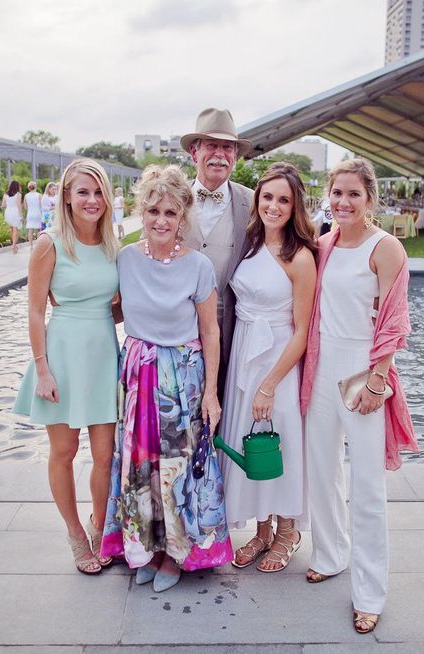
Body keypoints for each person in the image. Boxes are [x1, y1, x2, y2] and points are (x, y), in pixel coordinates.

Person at [100, 164, 232, 592]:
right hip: (138, 374)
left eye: (170, 213)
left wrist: (211, 393)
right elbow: (108, 307)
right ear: (142, 211)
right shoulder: (125, 259)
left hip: (182, 378)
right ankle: (147, 549)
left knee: (177, 468)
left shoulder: (198, 266)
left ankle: (177, 555)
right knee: (140, 466)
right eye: (154, 210)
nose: (161, 220)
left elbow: (210, 331)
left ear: (182, 217)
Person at [299, 158, 417, 635]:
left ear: (370, 198)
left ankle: (369, 593)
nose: (343, 202)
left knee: (366, 484)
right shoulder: (324, 243)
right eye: (337, 193)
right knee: (321, 469)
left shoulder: (385, 248)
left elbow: (394, 319)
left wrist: (377, 379)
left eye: (353, 194)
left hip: (362, 370)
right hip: (321, 364)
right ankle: (330, 554)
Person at [12, 159, 119, 575]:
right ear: (67, 197)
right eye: (83, 192)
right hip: (61, 355)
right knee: (65, 451)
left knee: (106, 455)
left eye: (98, 192)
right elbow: (35, 312)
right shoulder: (49, 243)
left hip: (103, 353)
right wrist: (43, 370)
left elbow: (117, 307)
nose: (92, 200)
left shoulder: (112, 245)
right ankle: (75, 534)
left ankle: (100, 526)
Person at [218, 163, 316, 572]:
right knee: (250, 440)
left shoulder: (300, 257)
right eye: (268, 197)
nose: (274, 206)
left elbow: (303, 331)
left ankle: (287, 531)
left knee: (282, 440)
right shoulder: (250, 243)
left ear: (295, 207)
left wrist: (270, 384)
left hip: (279, 358)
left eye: (284, 200)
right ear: (257, 200)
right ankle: (261, 530)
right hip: (245, 352)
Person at [180, 108, 254, 394]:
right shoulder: (173, 198)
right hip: (177, 326)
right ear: (194, 153)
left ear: (235, 156)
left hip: (231, 328)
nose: (220, 154)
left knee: (223, 406)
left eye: (227, 147)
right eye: (212, 146)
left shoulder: (252, 203)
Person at [2, 180, 23, 253]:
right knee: (15, 229)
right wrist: (21, 215)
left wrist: (9, 204)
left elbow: (3, 205)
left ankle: (14, 245)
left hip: (8, 212)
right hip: (15, 212)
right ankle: (14, 246)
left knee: (11, 229)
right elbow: (18, 205)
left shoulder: (5, 194)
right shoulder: (18, 194)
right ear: (17, 186)